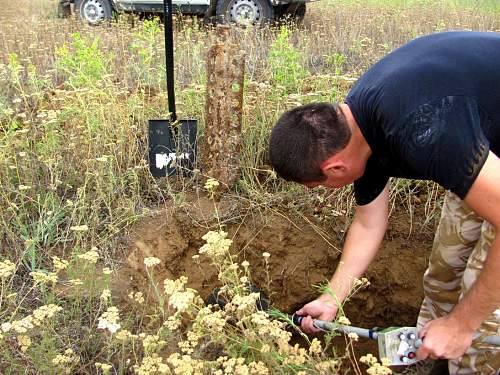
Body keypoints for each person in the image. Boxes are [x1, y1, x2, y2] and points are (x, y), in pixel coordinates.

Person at [268, 31, 500, 374]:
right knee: (442, 278)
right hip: (483, 149)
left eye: (322, 185)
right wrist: (332, 297)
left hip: (471, 146)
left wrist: (463, 324)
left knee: (484, 314)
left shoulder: (422, 130)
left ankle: (471, 359)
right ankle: (431, 355)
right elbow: (368, 222)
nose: (329, 191)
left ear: (334, 167)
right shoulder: (352, 129)